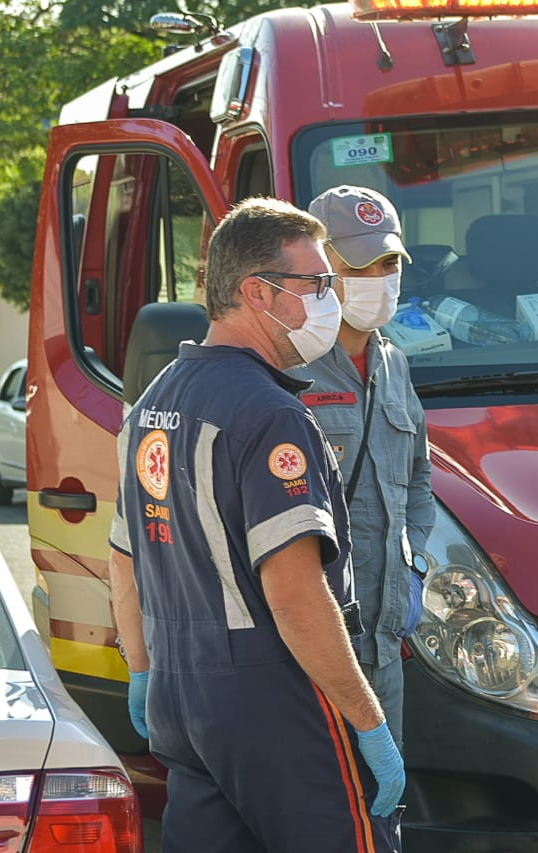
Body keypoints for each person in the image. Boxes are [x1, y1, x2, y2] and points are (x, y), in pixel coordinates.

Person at [108, 197, 405, 853]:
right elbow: (296, 597)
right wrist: (367, 720)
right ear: (256, 292)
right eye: (316, 283)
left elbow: (123, 557)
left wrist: (140, 668)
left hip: (181, 698)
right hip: (278, 700)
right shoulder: (272, 415)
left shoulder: (150, 407)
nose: (329, 299)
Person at [291, 184, 435, 756]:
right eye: (361, 262)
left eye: (389, 261)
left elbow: (419, 477)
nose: (380, 275)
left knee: (382, 813)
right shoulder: (290, 364)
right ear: (324, 268)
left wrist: (415, 566)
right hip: (312, 645)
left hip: (383, 642)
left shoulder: (393, 362)